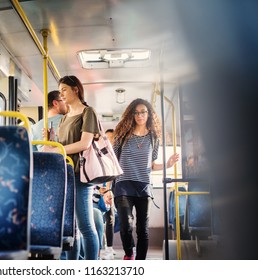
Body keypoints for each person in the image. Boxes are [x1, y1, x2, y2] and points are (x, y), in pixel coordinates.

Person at [112, 98, 179, 260]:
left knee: (143, 229)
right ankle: (129, 253)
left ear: (149, 114)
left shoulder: (153, 138)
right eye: (136, 112)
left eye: (143, 112)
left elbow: (152, 165)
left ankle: (141, 263)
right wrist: (108, 187)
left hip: (144, 186)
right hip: (123, 184)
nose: (140, 115)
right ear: (131, 114)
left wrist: (168, 165)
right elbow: (113, 161)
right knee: (126, 225)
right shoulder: (123, 135)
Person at [43, 75, 100, 260]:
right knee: (72, 228)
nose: (62, 94)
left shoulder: (87, 112)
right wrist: (51, 142)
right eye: (60, 91)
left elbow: (85, 143)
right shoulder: (64, 117)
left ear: (76, 89)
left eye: (64, 89)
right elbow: (59, 145)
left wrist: (59, 150)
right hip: (65, 174)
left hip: (80, 175)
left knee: (86, 226)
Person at [100, 128, 117, 260]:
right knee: (103, 219)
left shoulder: (116, 155)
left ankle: (109, 247)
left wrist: (108, 190)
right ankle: (105, 248)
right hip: (100, 190)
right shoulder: (100, 153)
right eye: (108, 138)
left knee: (111, 219)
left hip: (112, 189)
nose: (110, 141)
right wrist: (104, 189)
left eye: (112, 138)